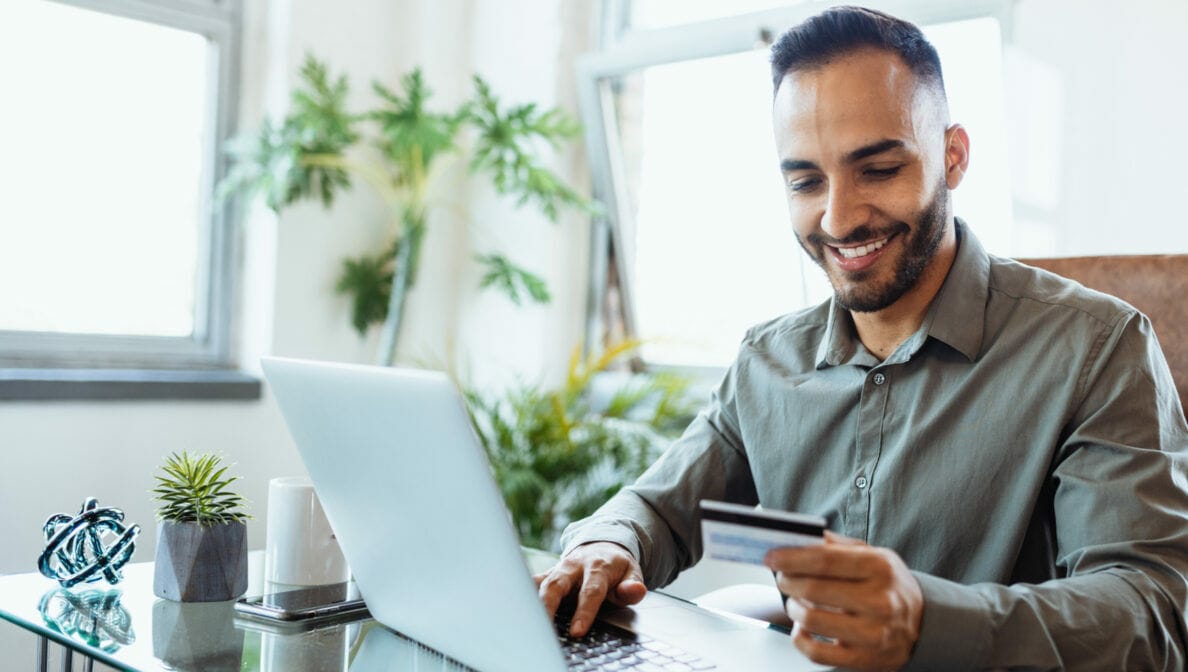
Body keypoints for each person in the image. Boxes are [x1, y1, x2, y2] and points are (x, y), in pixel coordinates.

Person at [534, 5, 1188, 671]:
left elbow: (1152, 612)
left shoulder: (1098, 347)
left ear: (953, 156)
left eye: (877, 170)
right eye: (806, 181)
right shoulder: (768, 361)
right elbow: (659, 507)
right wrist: (608, 544)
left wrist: (929, 621)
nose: (839, 218)